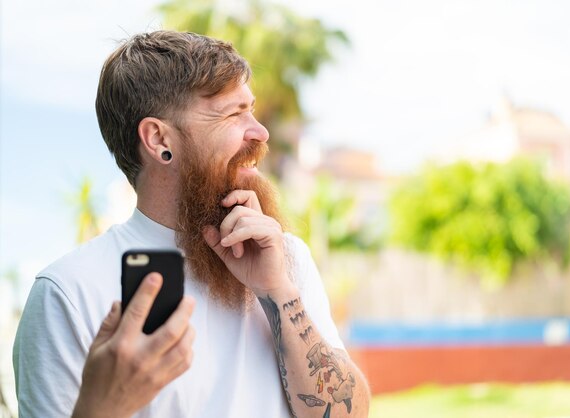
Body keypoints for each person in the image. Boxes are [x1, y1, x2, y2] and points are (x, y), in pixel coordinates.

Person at [12, 30, 370, 418]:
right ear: (158, 139)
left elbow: (346, 413)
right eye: (233, 113)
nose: (260, 132)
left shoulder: (285, 258)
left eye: (250, 109)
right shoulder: (67, 292)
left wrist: (278, 290)